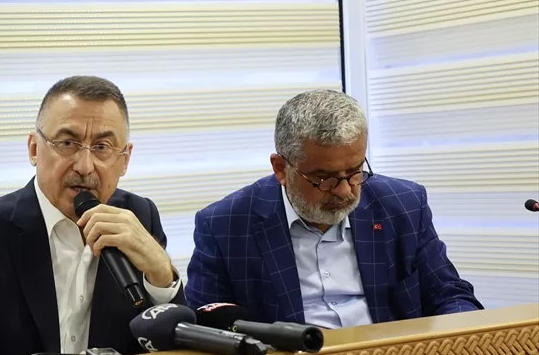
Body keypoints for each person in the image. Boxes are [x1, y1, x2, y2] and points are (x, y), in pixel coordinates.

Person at [0, 76, 184, 355]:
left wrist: (162, 276)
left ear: (125, 160)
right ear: (34, 149)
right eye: (68, 143)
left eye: (102, 147)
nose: (84, 166)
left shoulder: (140, 216)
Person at [187, 90, 481, 327]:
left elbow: (450, 295)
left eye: (354, 172)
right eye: (323, 178)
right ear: (280, 168)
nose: (344, 191)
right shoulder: (224, 226)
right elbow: (204, 329)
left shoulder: (403, 205)